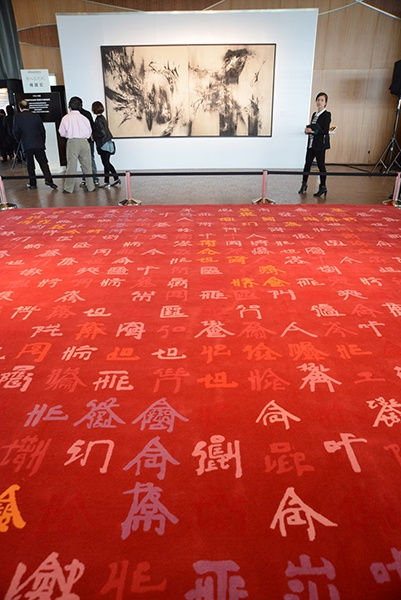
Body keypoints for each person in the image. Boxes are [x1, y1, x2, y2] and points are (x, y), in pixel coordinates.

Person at [12, 99, 57, 189]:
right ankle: (49, 180)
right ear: (29, 107)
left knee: (30, 165)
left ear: (20, 108)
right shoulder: (36, 116)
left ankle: (33, 184)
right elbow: (42, 131)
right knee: (44, 163)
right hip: (38, 143)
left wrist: (19, 140)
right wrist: (42, 142)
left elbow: (15, 131)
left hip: (26, 144)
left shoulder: (17, 117)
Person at [58, 96, 95, 193]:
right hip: (84, 142)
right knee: (87, 166)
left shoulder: (66, 118)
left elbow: (62, 132)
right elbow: (89, 132)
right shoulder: (84, 118)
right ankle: (91, 187)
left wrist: (69, 134)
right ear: (80, 106)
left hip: (72, 142)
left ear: (69, 106)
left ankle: (68, 188)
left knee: (71, 166)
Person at [298, 92, 331, 198]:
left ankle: (323, 186)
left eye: (322, 100)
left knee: (321, 165)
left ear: (325, 103)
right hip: (311, 144)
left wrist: (313, 131)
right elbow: (313, 127)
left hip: (320, 145)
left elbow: (325, 131)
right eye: (318, 100)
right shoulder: (314, 114)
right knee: (307, 164)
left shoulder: (327, 115)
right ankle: (304, 184)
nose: (319, 102)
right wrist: (308, 130)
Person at [91, 101, 120, 188]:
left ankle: (108, 181)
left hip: (103, 144)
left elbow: (102, 133)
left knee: (106, 163)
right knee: (107, 163)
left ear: (94, 109)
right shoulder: (102, 118)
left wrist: (94, 136)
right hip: (107, 143)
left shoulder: (98, 120)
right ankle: (114, 179)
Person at [75, 97, 99, 188]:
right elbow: (92, 127)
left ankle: (86, 179)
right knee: (90, 159)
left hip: (81, 140)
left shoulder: (74, 116)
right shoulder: (87, 113)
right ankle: (94, 179)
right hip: (89, 140)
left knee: (83, 160)